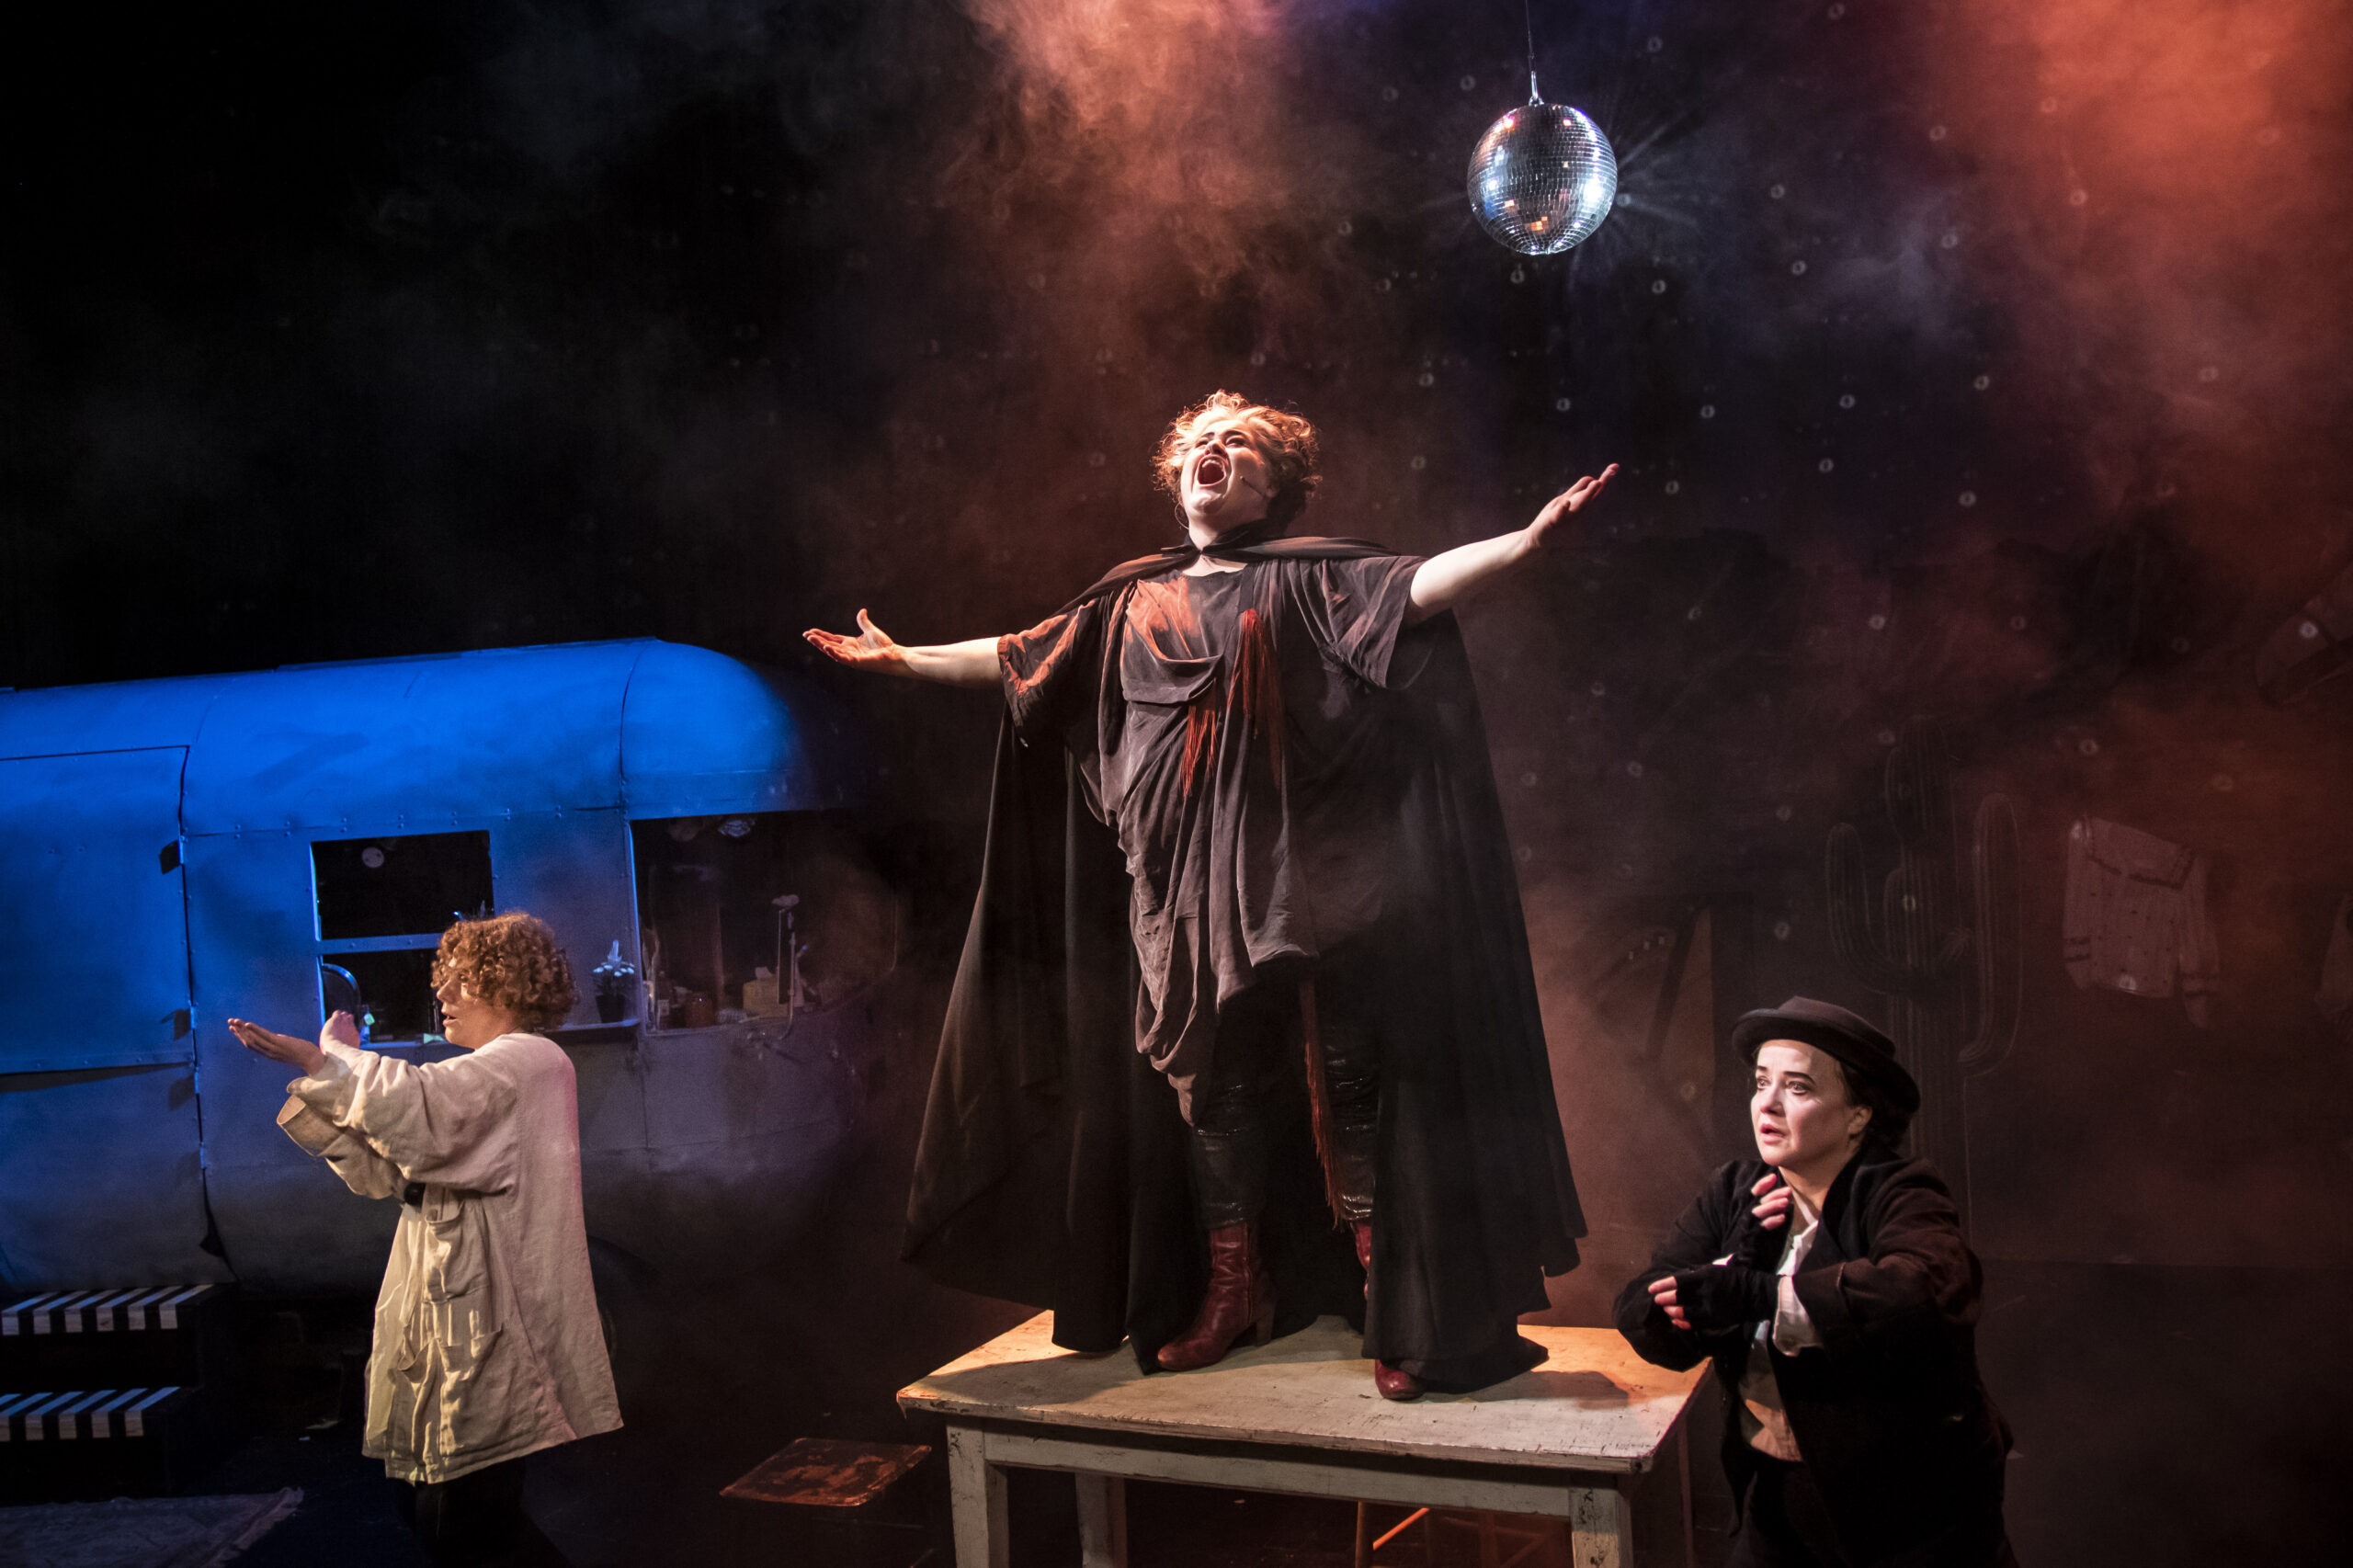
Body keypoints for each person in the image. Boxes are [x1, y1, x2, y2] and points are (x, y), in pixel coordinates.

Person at [807, 392, 1610, 1397]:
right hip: (1179, 899)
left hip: (1314, 890)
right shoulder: (1124, 603)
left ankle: (1391, 1302)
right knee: (1214, 1092)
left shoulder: (1311, 578)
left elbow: (1417, 588)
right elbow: (1016, 656)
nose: (1211, 450)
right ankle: (1233, 1288)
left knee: (1351, 1084)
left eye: (1237, 442)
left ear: (1276, 485)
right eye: (1198, 441)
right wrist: (902, 659)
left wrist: (1525, 544)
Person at [230, 911, 619, 1567]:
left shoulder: (529, 1060)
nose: (443, 993)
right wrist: (329, 1076)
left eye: (462, 980)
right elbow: (390, 1170)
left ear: (508, 985)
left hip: (491, 1316)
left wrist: (327, 1058)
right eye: (446, 979)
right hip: (448, 1307)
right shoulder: (491, 1073)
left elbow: (421, 1108)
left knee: (463, 1523)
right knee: (435, 1511)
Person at [1613, 997, 2016, 1567]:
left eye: (1798, 1087)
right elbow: (1639, 1305)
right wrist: (1728, 1271)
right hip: (1778, 1499)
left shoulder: (1899, 1190)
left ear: (1858, 1115)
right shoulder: (1736, 1190)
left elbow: (1923, 1291)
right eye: (1762, 1082)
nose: (1767, 1103)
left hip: (1912, 1513)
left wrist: (1757, 1293)